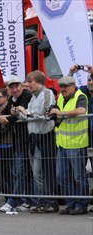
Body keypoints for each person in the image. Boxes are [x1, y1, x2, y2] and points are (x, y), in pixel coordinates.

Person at [14, 70, 58, 213]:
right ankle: (41, 201)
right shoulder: (33, 98)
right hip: (33, 137)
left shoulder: (47, 93)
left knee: (45, 171)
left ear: (38, 81)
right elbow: (28, 117)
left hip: (45, 136)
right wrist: (19, 113)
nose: (27, 84)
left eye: (30, 81)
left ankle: (50, 202)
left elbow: (47, 114)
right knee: (36, 173)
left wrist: (27, 113)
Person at [48, 75, 89, 215]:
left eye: (66, 86)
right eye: (61, 86)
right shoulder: (60, 97)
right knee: (61, 176)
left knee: (79, 176)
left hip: (77, 143)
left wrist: (62, 113)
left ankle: (82, 205)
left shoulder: (80, 96)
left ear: (73, 86)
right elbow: (57, 111)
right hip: (63, 144)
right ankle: (71, 204)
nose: (63, 89)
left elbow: (81, 111)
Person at [0, 77, 34, 213]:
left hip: (29, 139)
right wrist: (1, 117)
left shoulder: (27, 95)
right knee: (23, 172)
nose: (14, 90)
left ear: (21, 86)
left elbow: (17, 115)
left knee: (22, 172)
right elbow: (3, 115)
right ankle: (29, 200)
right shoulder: (12, 99)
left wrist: (6, 118)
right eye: (11, 87)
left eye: (16, 86)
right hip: (19, 141)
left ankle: (13, 201)